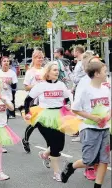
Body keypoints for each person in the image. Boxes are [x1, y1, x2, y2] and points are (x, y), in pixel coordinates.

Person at [61, 58, 111, 188]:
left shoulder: (106, 90)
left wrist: (107, 117)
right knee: (89, 160)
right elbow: (75, 108)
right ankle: (71, 166)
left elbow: (110, 107)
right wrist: (93, 118)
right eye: (105, 71)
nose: (107, 74)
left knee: (104, 160)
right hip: (89, 129)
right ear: (97, 74)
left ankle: (97, 186)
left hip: (104, 129)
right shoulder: (85, 91)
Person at [24, 62, 73, 181]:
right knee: (55, 146)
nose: (57, 72)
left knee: (60, 145)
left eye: (57, 70)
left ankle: (45, 154)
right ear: (48, 72)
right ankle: (57, 173)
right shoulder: (41, 86)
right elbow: (28, 99)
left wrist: (66, 104)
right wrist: (27, 113)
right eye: (54, 70)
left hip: (59, 116)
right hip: (44, 117)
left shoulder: (61, 85)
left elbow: (66, 98)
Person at [19, 49, 44, 153]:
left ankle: (50, 148)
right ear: (34, 58)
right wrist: (36, 86)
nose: (40, 59)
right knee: (36, 122)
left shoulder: (45, 70)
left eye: (42, 57)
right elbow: (26, 87)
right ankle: (25, 140)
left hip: (44, 100)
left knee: (42, 123)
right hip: (33, 100)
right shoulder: (30, 72)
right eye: (38, 57)